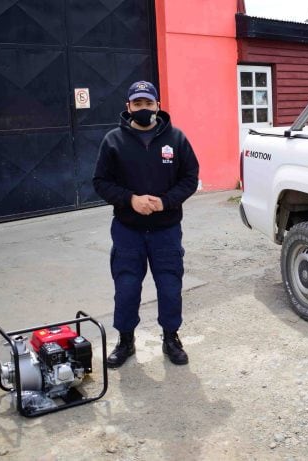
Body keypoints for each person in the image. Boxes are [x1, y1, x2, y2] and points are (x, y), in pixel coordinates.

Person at [93, 80, 199, 368]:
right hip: (128, 231)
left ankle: (171, 337)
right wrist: (130, 200)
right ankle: (126, 340)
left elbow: (190, 178)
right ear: (128, 107)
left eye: (148, 103)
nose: (143, 109)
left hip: (166, 231)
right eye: (137, 104)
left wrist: (165, 202)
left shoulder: (176, 139)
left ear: (157, 106)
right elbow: (100, 182)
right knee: (126, 288)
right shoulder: (113, 140)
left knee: (169, 286)